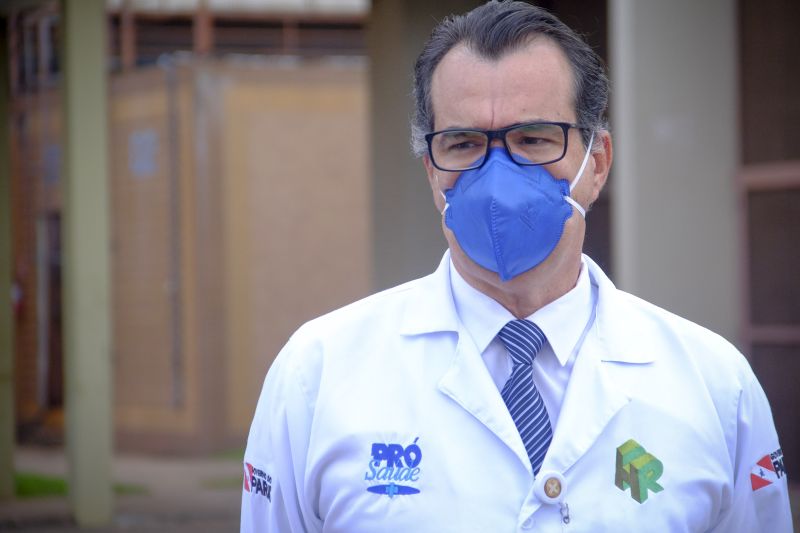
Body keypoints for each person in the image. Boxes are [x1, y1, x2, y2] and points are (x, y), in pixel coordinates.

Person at [241, 1, 793, 531]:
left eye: (533, 139)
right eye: (462, 143)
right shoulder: (318, 377)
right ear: (432, 170)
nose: (498, 176)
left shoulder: (715, 385)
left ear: (596, 163)